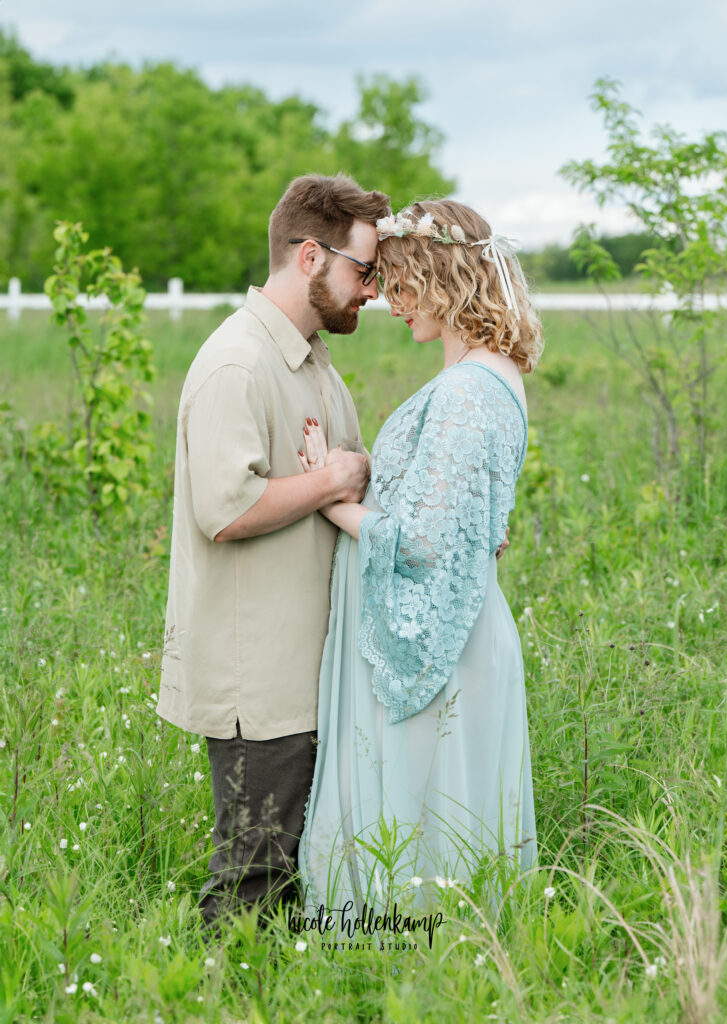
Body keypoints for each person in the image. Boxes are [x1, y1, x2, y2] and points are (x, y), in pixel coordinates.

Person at [156, 173, 390, 925]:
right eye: (364, 270)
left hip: (304, 671)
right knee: (251, 883)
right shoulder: (239, 363)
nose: (374, 291)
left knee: (291, 876)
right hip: (258, 684)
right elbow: (225, 510)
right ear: (311, 257)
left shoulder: (312, 358)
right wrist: (333, 480)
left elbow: (346, 485)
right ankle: (219, 999)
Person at [297, 199, 543, 915]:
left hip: (443, 640)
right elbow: (443, 502)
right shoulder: (484, 375)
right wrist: (367, 473)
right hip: (463, 621)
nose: (389, 301)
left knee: (423, 813)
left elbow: (426, 540)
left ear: (443, 279)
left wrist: (328, 493)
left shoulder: (469, 391)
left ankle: (410, 957)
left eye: (402, 284)